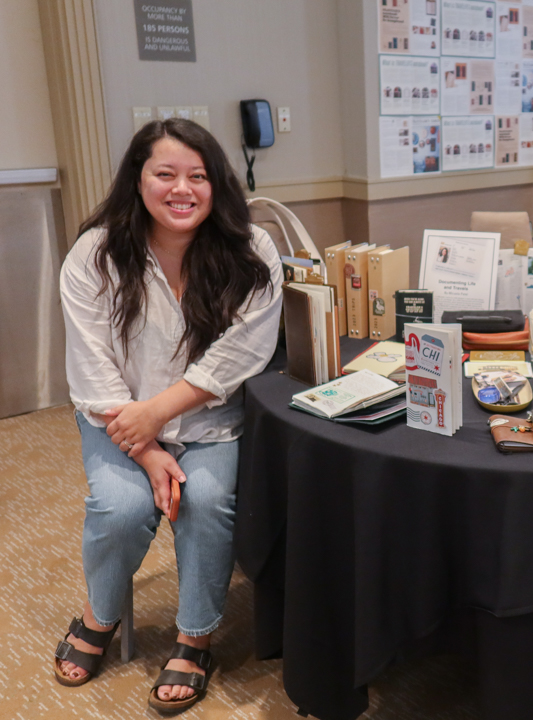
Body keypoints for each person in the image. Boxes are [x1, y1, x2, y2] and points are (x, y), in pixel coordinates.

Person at [53, 118, 283, 713]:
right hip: (116, 418)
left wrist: (160, 413)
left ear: (217, 185)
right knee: (122, 505)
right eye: (166, 174)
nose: (183, 189)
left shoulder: (250, 249)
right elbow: (91, 362)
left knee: (205, 502)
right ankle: (99, 616)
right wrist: (146, 444)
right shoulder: (95, 253)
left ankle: (194, 638)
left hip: (208, 419)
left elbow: (246, 350)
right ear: (138, 179)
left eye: (198, 176)